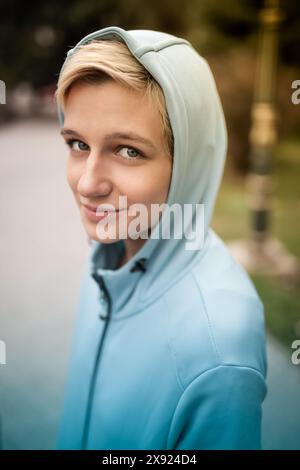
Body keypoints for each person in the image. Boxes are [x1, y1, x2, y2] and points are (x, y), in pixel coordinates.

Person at [55, 26, 267, 450]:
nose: (88, 183)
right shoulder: (109, 255)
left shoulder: (217, 346)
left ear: (187, 163)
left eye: (128, 151)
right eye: (78, 143)